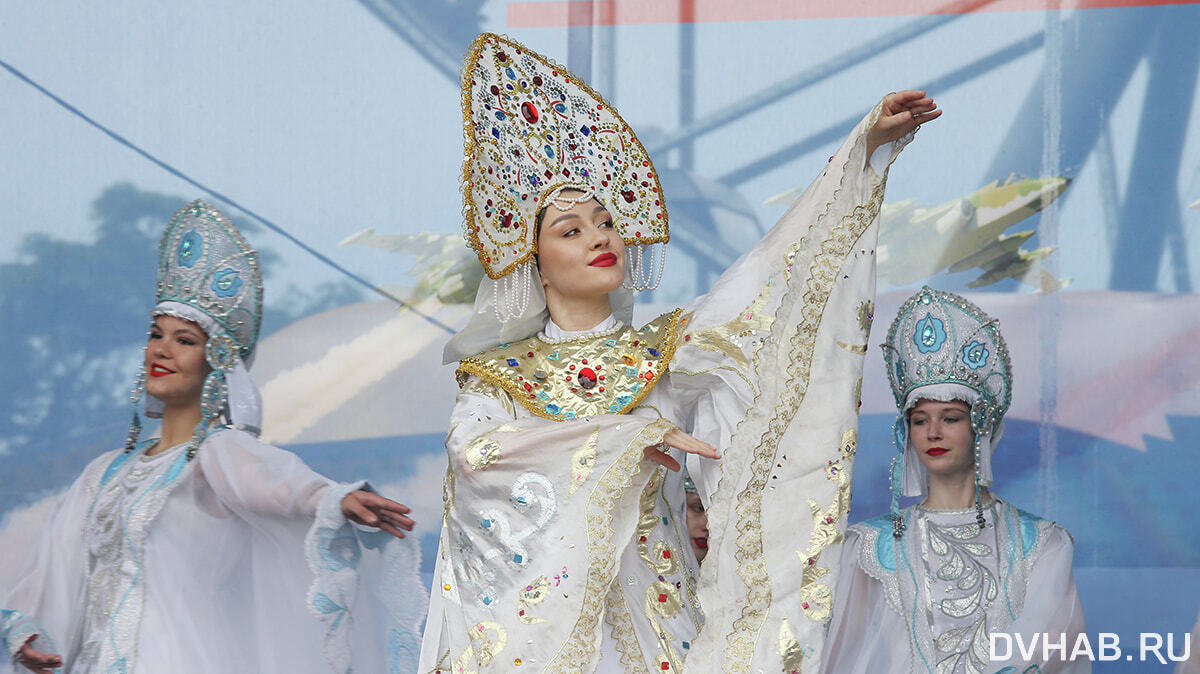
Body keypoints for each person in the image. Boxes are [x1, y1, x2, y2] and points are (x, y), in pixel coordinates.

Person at [420, 32, 937, 672]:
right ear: (536, 266)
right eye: (570, 229)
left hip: (660, 626)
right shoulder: (498, 379)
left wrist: (860, 153)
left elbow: (771, 282)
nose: (599, 237)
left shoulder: (664, 351)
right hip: (542, 643)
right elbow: (475, 457)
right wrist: (619, 439)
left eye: (605, 221)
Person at [1, 201, 426, 674]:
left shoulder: (216, 453)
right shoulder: (103, 473)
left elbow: (274, 482)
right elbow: (54, 569)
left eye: (185, 340)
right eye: (156, 334)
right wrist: (26, 634)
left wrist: (331, 499)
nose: (162, 349)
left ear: (216, 361)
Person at [820, 287, 1088, 674]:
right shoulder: (869, 548)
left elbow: (1056, 655)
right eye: (919, 420)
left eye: (950, 417)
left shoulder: (1041, 543)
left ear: (980, 427)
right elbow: (846, 659)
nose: (933, 432)